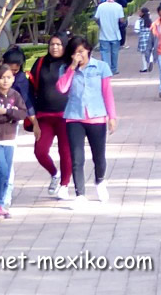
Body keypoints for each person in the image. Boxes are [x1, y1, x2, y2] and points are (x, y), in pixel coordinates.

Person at [56, 35, 118, 206]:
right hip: (74, 117)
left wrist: (111, 117)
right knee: (76, 157)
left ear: (88, 50)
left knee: (99, 156)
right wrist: (72, 68)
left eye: (81, 52)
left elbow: (107, 93)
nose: (79, 56)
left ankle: (100, 181)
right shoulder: (66, 69)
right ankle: (80, 194)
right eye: (75, 53)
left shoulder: (101, 67)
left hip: (96, 116)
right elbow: (62, 88)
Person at [0, 62, 29, 219]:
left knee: (6, 173)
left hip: (9, 139)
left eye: (9, 77)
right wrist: (10, 115)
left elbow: (22, 113)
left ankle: (1, 205)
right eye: (2, 78)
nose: (5, 81)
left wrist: (6, 111)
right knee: (1, 170)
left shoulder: (15, 95)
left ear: (13, 79)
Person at [28, 35, 72, 200]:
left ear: (65, 46)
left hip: (66, 116)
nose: (55, 47)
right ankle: (55, 174)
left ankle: (64, 185)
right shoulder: (40, 63)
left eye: (59, 44)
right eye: (52, 44)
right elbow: (30, 90)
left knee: (65, 152)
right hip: (44, 116)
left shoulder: (70, 64)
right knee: (40, 151)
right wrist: (32, 116)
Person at [93, 0, 127, 75]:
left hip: (103, 34)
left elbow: (96, 18)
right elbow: (121, 20)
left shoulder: (101, 6)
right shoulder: (118, 7)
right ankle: (114, 69)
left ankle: (106, 71)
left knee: (105, 53)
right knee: (114, 53)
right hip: (115, 34)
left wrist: (100, 24)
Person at [134, 6, 155, 73]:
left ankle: (144, 67)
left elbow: (136, 30)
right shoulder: (150, 21)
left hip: (142, 38)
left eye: (140, 12)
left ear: (142, 13)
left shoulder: (139, 21)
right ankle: (151, 60)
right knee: (150, 50)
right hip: (150, 37)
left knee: (143, 53)